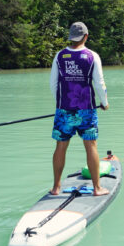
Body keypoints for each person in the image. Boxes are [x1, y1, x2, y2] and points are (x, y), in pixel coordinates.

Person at [49, 21, 110, 196]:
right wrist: (104, 102)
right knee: (91, 145)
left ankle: (56, 187)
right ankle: (97, 188)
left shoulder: (59, 56)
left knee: (60, 146)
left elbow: (53, 84)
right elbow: (99, 83)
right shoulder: (92, 56)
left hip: (64, 109)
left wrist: (60, 105)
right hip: (87, 110)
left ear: (70, 37)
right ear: (86, 36)